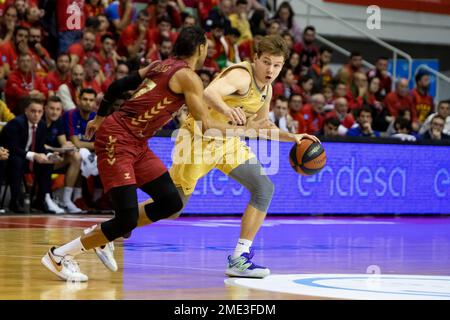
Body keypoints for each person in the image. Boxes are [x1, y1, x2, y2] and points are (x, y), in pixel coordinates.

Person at [41, 26, 268, 282]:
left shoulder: (159, 65)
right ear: (201, 48)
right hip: (118, 137)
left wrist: (100, 116)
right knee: (126, 218)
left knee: (171, 202)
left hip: (137, 142)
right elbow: (206, 125)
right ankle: (59, 255)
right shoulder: (189, 77)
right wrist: (246, 127)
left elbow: (118, 85)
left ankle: (105, 236)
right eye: (207, 47)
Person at [93, 35, 320, 279]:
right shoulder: (241, 76)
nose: (271, 70)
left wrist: (293, 137)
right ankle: (110, 230)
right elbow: (210, 92)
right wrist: (226, 109)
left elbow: (261, 125)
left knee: (264, 188)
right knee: (174, 207)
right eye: (266, 62)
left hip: (227, 142)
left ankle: (239, 258)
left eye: (277, 65)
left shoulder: (267, 89)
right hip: (198, 140)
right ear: (255, 59)